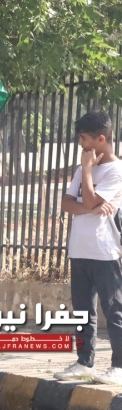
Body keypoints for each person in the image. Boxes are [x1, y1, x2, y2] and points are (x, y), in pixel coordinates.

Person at [54, 110, 122, 385]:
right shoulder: (82, 169)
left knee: (114, 310)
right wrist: (90, 207)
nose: (81, 144)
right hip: (79, 250)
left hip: (104, 251)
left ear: (100, 139)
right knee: (83, 312)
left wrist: (87, 173)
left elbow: (90, 199)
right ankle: (85, 362)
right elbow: (66, 204)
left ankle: (119, 367)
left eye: (84, 139)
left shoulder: (116, 170)